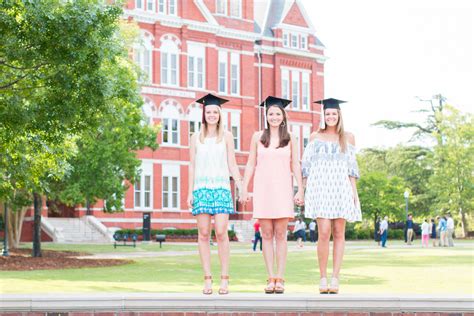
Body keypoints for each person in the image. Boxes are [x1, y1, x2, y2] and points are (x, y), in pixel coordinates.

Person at [240, 96, 304, 294]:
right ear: (266, 116)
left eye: (277, 114)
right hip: (263, 189)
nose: (274, 117)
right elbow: (251, 163)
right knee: (266, 234)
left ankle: (281, 278)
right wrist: (243, 186)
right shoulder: (257, 137)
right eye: (271, 114)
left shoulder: (290, 138)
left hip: (282, 189)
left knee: (280, 235)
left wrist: (300, 188)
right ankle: (270, 278)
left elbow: (295, 164)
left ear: (283, 116)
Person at [302, 98, 361, 294]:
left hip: (341, 188)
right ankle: (323, 277)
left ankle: (335, 278)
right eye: (327, 114)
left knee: (339, 233)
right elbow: (306, 167)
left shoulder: (348, 138)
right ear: (323, 116)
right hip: (320, 189)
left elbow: (352, 168)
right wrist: (301, 190)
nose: (331, 117)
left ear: (339, 115)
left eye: (334, 114)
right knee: (324, 232)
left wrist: (354, 193)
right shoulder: (314, 137)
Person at [188, 94, 243, 295]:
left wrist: (240, 184)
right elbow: (192, 166)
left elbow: (232, 163)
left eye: (215, 112)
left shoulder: (227, 136)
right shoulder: (196, 137)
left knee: (221, 232)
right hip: (201, 189)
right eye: (208, 112)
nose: (211, 115)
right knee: (203, 234)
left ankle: (225, 279)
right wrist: (189, 192)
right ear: (204, 114)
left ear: (220, 114)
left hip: (221, 188)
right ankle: (208, 279)